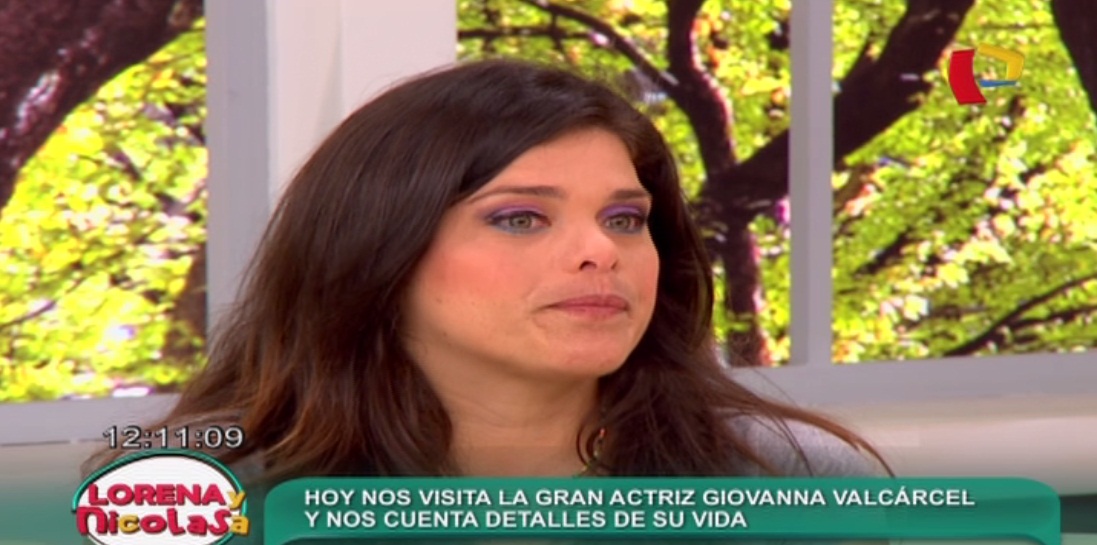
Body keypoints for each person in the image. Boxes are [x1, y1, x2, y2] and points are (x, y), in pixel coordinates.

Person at [85, 59, 887, 483]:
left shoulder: (788, 478)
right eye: (519, 217)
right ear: (378, 249)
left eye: (624, 219)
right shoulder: (192, 493)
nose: (600, 252)